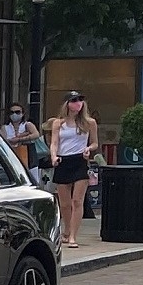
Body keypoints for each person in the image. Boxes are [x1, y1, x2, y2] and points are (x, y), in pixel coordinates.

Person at [48, 92, 98, 250]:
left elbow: (95, 143)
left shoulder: (89, 123)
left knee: (77, 201)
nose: (78, 103)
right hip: (63, 161)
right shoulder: (58, 123)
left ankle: (73, 236)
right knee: (64, 203)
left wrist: (89, 149)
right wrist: (53, 156)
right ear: (67, 104)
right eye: (74, 100)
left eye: (80, 100)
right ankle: (67, 229)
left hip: (79, 160)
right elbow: (54, 142)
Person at [2, 104, 42, 181]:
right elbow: (3, 140)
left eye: (17, 112)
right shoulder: (5, 127)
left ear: (22, 113)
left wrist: (20, 139)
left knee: (32, 177)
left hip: (28, 154)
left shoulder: (27, 125)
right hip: (12, 154)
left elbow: (36, 134)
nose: (14, 114)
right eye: (12, 112)